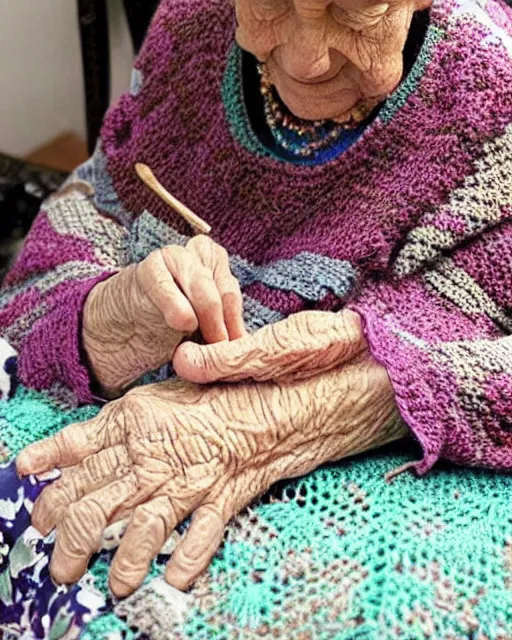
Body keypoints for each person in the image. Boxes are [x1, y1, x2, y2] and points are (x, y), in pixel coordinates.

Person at [1, 0, 512, 620]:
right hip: (127, 440)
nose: (304, 59)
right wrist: (108, 315)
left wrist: (308, 408)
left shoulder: (492, 97)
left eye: (353, 10)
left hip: (374, 505)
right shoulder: (191, 23)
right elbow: (79, 226)